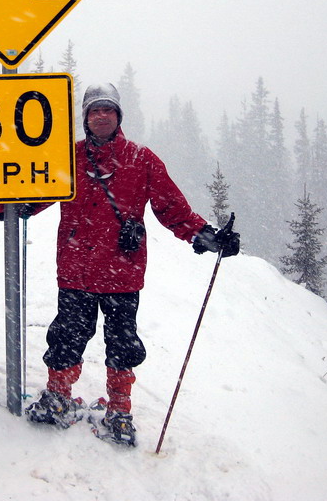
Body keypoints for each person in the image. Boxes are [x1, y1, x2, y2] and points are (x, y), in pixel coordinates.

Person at [20, 82, 240, 446]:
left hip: (121, 272)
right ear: (86, 118)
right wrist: (3, 206)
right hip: (75, 270)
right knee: (66, 336)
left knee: (122, 343)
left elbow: (172, 207)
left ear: (118, 116)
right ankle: (58, 396)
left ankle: (119, 409)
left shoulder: (142, 159)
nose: (101, 116)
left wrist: (205, 235)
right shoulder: (67, 158)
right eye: (94, 110)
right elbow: (35, 194)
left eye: (108, 109)